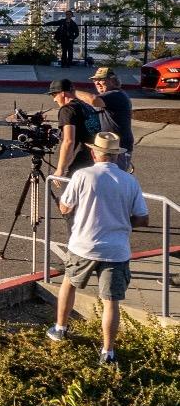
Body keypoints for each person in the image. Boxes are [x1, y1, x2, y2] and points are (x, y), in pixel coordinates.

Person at [46, 132, 148, 365]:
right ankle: (107, 351)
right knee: (111, 301)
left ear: (94, 152)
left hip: (83, 244)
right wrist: (123, 223)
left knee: (69, 283)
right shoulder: (130, 181)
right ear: (116, 156)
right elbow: (143, 218)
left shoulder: (82, 175)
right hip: (116, 249)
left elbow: (65, 207)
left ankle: (60, 328)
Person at [75, 66, 134, 171]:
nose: (97, 83)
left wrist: (72, 92)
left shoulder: (116, 95)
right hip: (106, 145)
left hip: (118, 148)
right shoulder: (106, 97)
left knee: (114, 178)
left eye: (101, 80)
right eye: (95, 80)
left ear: (112, 80)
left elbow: (93, 100)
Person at [49, 78, 101, 179]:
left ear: (63, 93)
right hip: (95, 158)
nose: (54, 99)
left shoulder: (67, 110)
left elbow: (69, 141)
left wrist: (60, 169)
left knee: (69, 192)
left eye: (54, 95)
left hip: (80, 162)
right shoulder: (86, 106)